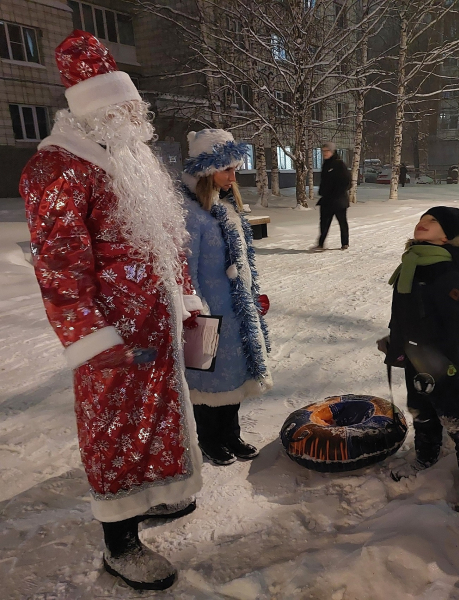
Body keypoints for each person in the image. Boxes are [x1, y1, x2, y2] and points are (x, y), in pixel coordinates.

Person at [19, 31, 203, 590]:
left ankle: (157, 492)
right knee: (114, 428)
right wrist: (91, 338)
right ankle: (119, 542)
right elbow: (59, 269)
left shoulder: (131, 158)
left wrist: (184, 296)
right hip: (113, 336)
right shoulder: (58, 169)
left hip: (156, 325)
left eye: (132, 105)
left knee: (159, 416)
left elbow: (166, 238)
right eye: (121, 106)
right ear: (94, 109)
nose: (132, 114)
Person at [379, 207, 459, 511]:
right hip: (413, 354)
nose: (422, 223)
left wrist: (431, 352)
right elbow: (405, 311)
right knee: (420, 408)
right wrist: (396, 340)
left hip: (438, 360)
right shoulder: (413, 261)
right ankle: (425, 456)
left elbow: (458, 324)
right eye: (422, 219)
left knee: (455, 417)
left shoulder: (445, 270)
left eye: (432, 222)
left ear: (446, 236)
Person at [181, 129, 272, 465]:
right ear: (207, 170)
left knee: (233, 376)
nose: (234, 177)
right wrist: (195, 310)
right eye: (227, 170)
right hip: (205, 314)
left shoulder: (222, 207)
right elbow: (184, 269)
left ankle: (230, 435)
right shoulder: (189, 215)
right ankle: (209, 440)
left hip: (234, 312)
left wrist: (251, 295)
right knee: (207, 381)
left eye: (235, 169)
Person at [313, 142, 351, 251]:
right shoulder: (326, 165)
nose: (325, 153)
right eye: (323, 151)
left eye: (327, 151)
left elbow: (347, 182)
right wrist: (322, 191)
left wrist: (338, 192)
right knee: (324, 223)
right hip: (327, 200)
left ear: (332, 151)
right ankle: (321, 244)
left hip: (339, 200)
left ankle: (345, 243)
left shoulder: (339, 164)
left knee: (342, 222)